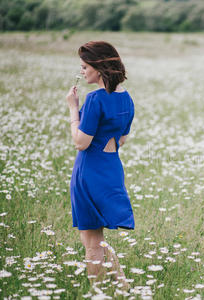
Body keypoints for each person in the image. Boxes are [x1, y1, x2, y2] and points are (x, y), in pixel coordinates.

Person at [65, 41, 135, 290]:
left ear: (99, 67)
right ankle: (124, 287)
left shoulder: (94, 99)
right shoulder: (126, 99)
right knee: (96, 238)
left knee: (92, 241)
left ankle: (98, 293)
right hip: (111, 169)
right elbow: (121, 140)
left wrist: (74, 109)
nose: (82, 71)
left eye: (85, 66)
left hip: (90, 171)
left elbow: (80, 142)